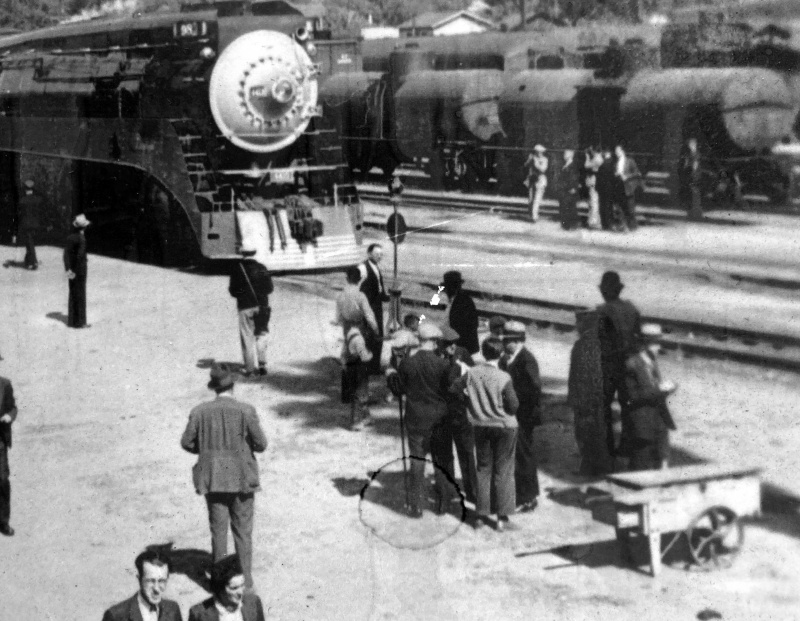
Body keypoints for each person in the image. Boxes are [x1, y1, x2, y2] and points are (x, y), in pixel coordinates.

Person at [181, 365, 268, 589]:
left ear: (214, 388)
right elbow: (261, 444)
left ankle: (220, 583)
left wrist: (206, 450)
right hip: (241, 479)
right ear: (233, 385)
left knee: (218, 532)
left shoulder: (199, 411)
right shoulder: (246, 410)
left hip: (213, 479)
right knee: (243, 532)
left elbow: (187, 442)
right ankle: (246, 582)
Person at [451, 337, 519, 531]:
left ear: (483, 352)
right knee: (503, 471)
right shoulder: (504, 377)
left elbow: (454, 388)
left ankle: (480, 516)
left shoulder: (472, 373)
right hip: (504, 426)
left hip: (480, 425)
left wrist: (469, 403)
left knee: (483, 469)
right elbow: (513, 406)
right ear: (500, 354)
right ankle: (501, 518)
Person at [396, 322, 453, 518]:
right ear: (435, 342)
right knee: (440, 461)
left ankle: (415, 505)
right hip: (438, 420)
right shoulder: (444, 365)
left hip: (415, 419)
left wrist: (390, 375)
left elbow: (399, 389)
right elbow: (450, 391)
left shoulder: (407, 363)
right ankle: (443, 504)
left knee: (417, 461)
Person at [430, 325, 477, 506]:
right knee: (444, 454)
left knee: (466, 453)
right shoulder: (433, 357)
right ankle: (446, 491)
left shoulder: (462, 353)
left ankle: (472, 491)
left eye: (454, 344)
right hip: (441, 415)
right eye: (448, 344)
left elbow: (474, 377)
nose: (452, 347)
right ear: (439, 343)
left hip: (460, 414)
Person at [597, 271, 641, 458]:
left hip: (609, 365)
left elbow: (596, 340)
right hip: (630, 364)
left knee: (603, 407)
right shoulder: (632, 308)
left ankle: (607, 448)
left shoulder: (602, 311)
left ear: (606, 291)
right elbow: (639, 335)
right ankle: (627, 446)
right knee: (628, 405)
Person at [499, 321, 541, 512]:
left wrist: (513, 397)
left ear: (516, 341)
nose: (503, 344)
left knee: (524, 455)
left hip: (524, 416)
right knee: (514, 455)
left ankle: (529, 497)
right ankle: (519, 493)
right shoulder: (506, 358)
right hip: (511, 414)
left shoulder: (526, 360)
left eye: (506, 340)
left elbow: (533, 389)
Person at [623, 324, 677, 471]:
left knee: (661, 460)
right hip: (641, 423)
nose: (658, 347)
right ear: (644, 344)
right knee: (641, 465)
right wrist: (659, 389)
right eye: (655, 343)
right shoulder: (631, 365)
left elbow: (654, 390)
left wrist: (667, 389)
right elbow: (632, 398)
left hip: (658, 419)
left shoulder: (651, 361)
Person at [567, 310, 613, 476]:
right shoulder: (601, 343)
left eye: (578, 323)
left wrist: (575, 400)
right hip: (597, 398)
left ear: (583, 324)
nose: (576, 326)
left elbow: (580, 376)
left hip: (585, 400)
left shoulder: (582, 345)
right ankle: (594, 467)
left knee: (586, 434)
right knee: (596, 433)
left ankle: (593, 468)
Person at [228, 244, 274, 377]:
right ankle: (262, 364)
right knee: (262, 334)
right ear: (254, 253)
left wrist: (243, 294)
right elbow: (270, 289)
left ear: (242, 254)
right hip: (262, 306)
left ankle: (249, 368)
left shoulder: (237, 269)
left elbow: (233, 291)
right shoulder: (262, 268)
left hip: (245, 306)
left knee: (247, 336)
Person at [336, 266, 379, 405]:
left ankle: (347, 394)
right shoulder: (360, 296)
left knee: (347, 358)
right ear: (360, 279)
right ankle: (361, 394)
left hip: (346, 328)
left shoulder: (341, 295)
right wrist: (375, 329)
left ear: (347, 278)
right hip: (359, 327)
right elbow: (369, 315)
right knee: (361, 360)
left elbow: (338, 317)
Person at [101, 549, 183, 621]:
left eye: (162, 581)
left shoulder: (173, 610)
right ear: (139, 579)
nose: (156, 589)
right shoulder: (116, 616)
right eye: (151, 581)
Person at [188, 554, 266, 621]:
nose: (241, 592)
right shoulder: (198, 614)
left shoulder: (254, 603)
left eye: (242, 585)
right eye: (234, 588)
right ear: (220, 589)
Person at [359, 244, 390, 374]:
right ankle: (366, 367)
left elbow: (379, 287)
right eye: (377, 253)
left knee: (378, 336)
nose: (379, 256)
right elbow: (357, 287)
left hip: (377, 306)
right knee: (369, 336)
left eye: (381, 254)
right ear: (369, 253)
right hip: (368, 307)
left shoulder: (376, 267)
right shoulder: (362, 268)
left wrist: (385, 296)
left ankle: (375, 366)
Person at [342, 317, 373, 431]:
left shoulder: (350, 335)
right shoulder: (359, 339)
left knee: (361, 392)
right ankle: (356, 421)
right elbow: (364, 356)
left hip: (350, 367)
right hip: (359, 368)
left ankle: (366, 416)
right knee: (360, 394)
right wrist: (371, 355)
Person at [442, 270, 479, 355]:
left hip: (462, 347)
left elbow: (463, 328)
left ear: (452, 287)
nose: (445, 291)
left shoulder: (463, 301)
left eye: (447, 288)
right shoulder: (454, 300)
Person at [63, 214, 90, 328]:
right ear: (83, 227)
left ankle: (72, 320)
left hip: (71, 269)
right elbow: (80, 255)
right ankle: (80, 322)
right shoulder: (81, 238)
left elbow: (66, 254)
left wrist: (68, 269)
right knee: (81, 294)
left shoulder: (70, 238)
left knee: (73, 293)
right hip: (80, 269)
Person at [0, 373, 17, 536]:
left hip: (0, 442)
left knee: (3, 480)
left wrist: (9, 416)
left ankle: (3, 522)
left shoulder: (5, 384)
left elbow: (13, 408)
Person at [613, 144, 643, 232]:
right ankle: (623, 226)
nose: (616, 153)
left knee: (630, 208)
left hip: (628, 187)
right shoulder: (616, 162)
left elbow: (637, 172)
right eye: (615, 151)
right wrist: (616, 174)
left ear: (622, 151)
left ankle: (633, 226)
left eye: (618, 151)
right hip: (619, 186)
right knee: (620, 207)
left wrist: (627, 176)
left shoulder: (630, 161)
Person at [17, 179, 41, 270]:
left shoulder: (22, 201)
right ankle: (28, 260)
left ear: (25, 189)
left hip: (26, 224)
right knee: (30, 241)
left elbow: (19, 214)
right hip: (35, 224)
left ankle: (33, 261)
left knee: (29, 242)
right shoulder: (38, 200)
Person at [679, 137, 703, 221]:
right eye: (690, 143)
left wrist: (693, 171)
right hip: (689, 173)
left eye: (693, 143)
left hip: (694, 173)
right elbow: (686, 163)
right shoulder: (689, 152)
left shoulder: (696, 153)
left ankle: (696, 212)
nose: (691, 145)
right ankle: (691, 211)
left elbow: (696, 163)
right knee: (691, 192)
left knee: (695, 191)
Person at [524, 145, 549, 222]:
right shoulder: (532, 158)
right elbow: (525, 165)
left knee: (537, 199)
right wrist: (529, 160)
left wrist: (536, 162)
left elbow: (543, 169)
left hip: (540, 180)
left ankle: (534, 216)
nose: (539, 153)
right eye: (537, 152)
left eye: (540, 152)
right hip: (532, 180)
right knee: (531, 198)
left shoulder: (544, 159)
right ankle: (531, 215)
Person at [557, 149, 581, 230]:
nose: (564, 155)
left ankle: (571, 225)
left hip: (569, 189)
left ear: (570, 155)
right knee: (564, 206)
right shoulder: (565, 164)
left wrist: (573, 187)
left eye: (566, 154)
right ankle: (565, 224)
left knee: (569, 207)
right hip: (564, 189)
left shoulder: (573, 165)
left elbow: (573, 178)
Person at [584, 147, 603, 229]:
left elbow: (586, 165)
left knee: (594, 201)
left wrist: (587, 157)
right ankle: (593, 220)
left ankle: (595, 222)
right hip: (593, 180)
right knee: (592, 201)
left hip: (595, 181)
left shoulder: (598, 159)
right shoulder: (597, 158)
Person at [596, 149, 616, 231]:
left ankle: (605, 224)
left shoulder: (603, 166)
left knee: (603, 206)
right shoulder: (611, 165)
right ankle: (608, 223)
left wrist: (598, 188)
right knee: (608, 206)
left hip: (603, 189)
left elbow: (599, 178)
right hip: (609, 189)